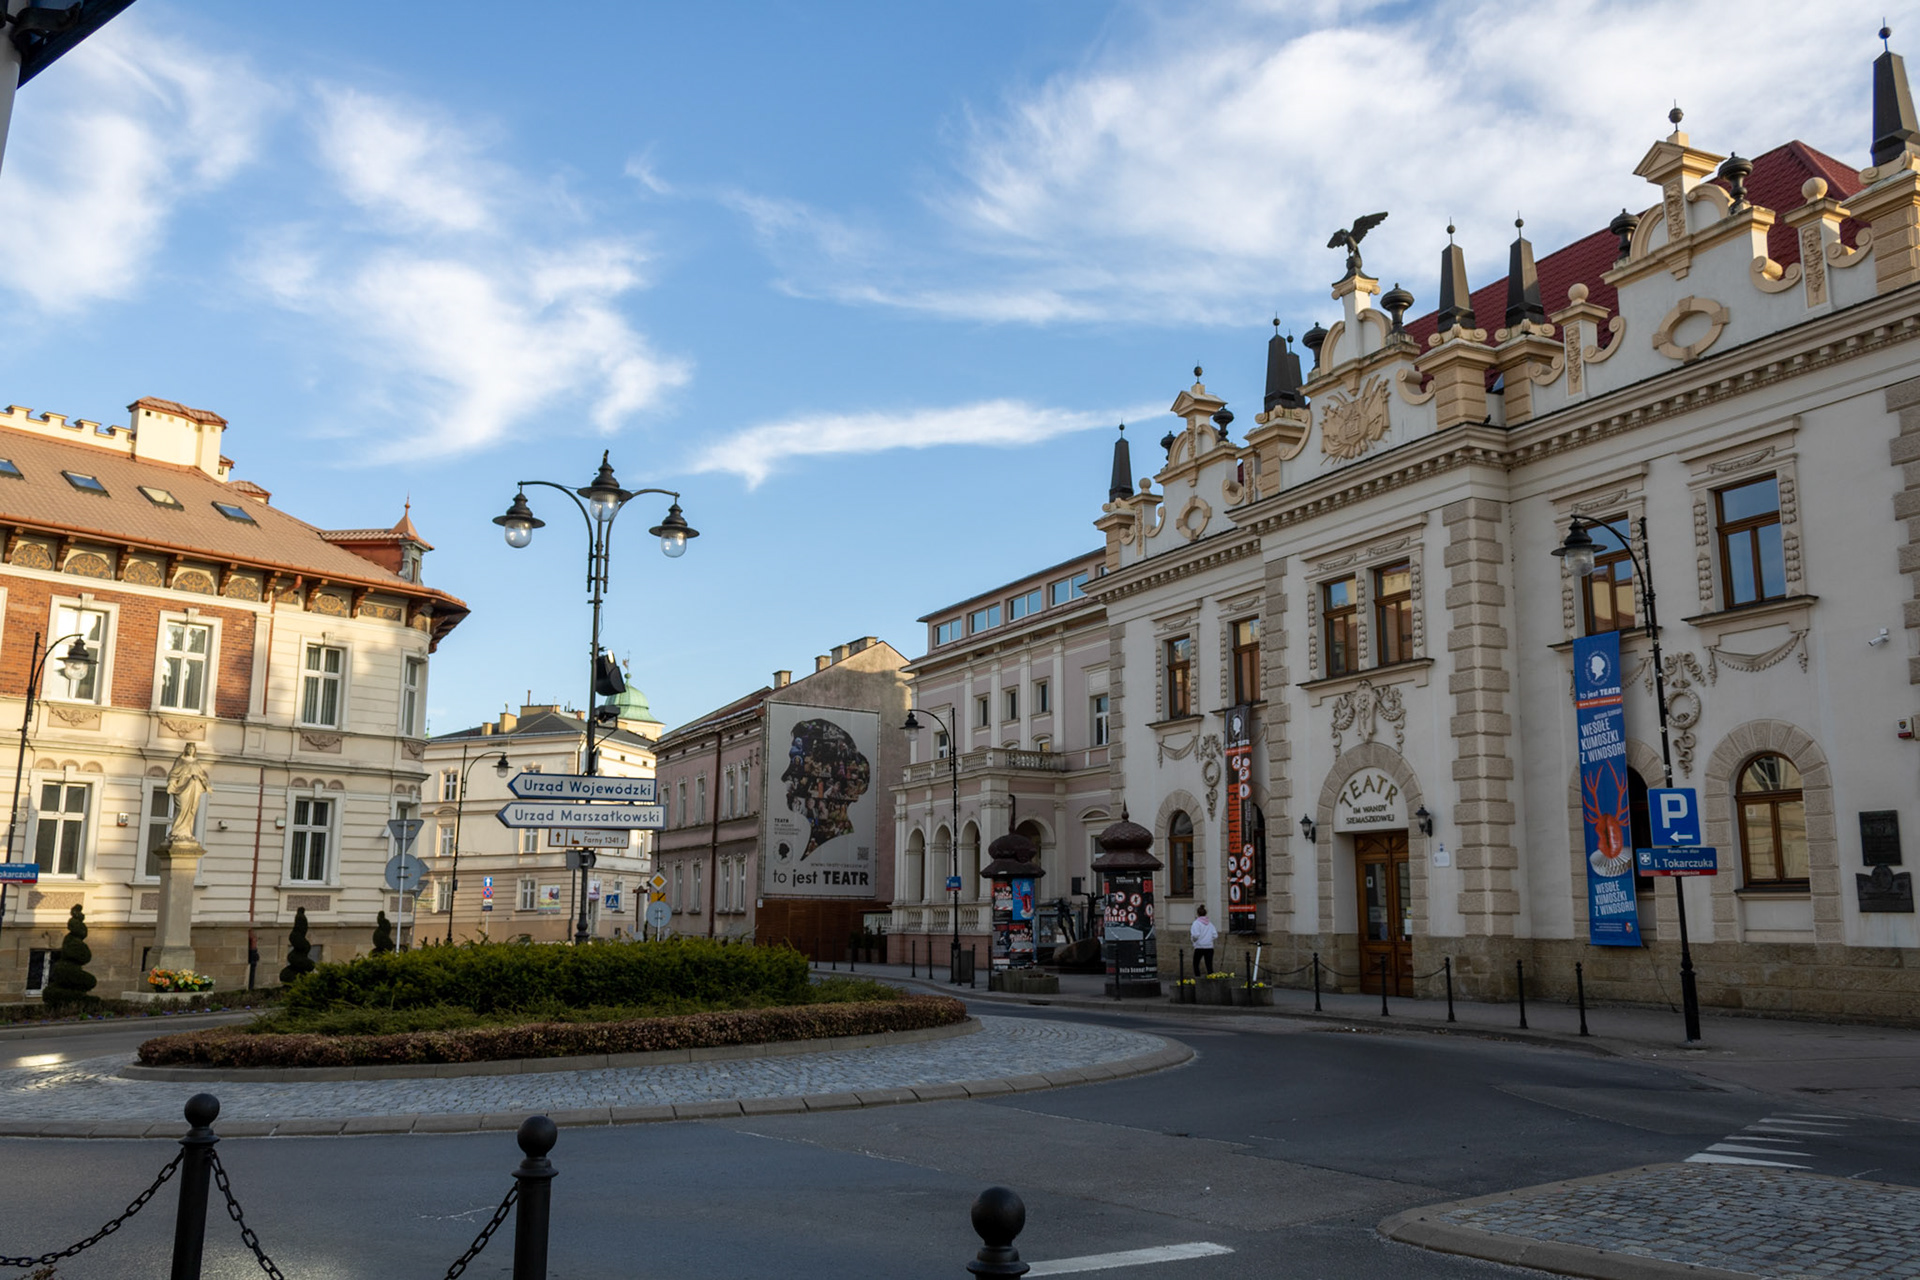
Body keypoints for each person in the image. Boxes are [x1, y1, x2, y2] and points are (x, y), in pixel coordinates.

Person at [1190, 905, 1217, 976]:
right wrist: (1209, 939)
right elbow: (1215, 935)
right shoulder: (1210, 924)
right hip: (1209, 947)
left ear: (1197, 914)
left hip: (1199, 946)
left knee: (1196, 964)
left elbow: (1195, 935)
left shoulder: (1196, 923)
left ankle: (1198, 978)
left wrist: (1193, 940)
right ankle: (1211, 979)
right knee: (1209, 966)